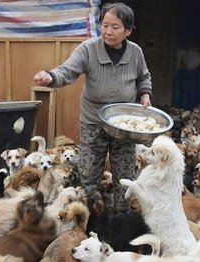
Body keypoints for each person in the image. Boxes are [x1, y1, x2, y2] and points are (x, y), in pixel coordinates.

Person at [33, 2, 152, 214]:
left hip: (124, 125)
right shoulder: (88, 49)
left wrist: (145, 95)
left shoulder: (135, 53)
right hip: (94, 122)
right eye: (105, 25)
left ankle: (121, 219)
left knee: (125, 175)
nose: (108, 31)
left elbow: (144, 78)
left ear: (128, 30)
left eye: (115, 27)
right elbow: (67, 71)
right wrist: (50, 76)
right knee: (88, 174)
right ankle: (87, 218)